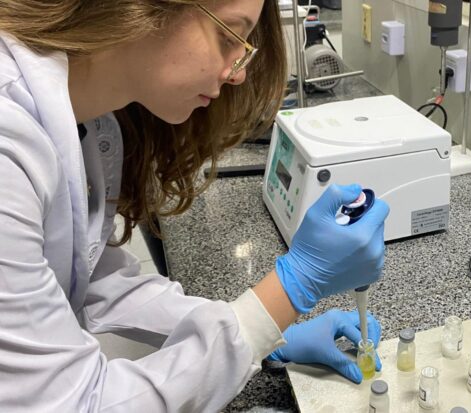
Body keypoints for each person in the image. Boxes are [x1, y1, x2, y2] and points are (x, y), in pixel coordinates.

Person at [0, 0, 390, 411]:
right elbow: (76, 404)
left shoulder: (89, 120)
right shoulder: (8, 146)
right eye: (228, 35)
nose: (238, 73)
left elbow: (98, 281)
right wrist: (293, 287)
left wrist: (265, 330)